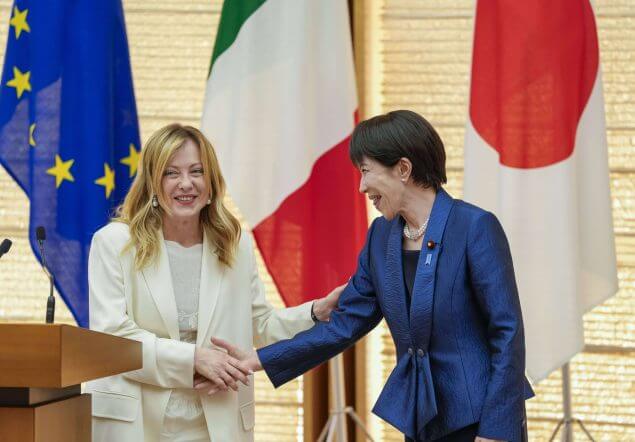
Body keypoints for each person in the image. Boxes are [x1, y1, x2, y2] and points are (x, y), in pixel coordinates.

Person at [209, 110, 535, 442]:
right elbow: (343, 325)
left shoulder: (474, 227)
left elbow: (507, 333)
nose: (362, 186)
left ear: (403, 169)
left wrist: (496, 430)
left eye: (366, 171)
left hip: (480, 420)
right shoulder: (381, 236)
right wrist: (257, 360)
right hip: (423, 418)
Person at [87, 123, 341, 442]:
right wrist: (194, 359)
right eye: (171, 173)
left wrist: (316, 311)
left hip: (218, 423)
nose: (186, 183)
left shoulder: (235, 245)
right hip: (137, 423)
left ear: (211, 182)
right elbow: (113, 338)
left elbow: (261, 325)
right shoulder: (114, 243)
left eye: (197, 171)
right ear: (152, 181)